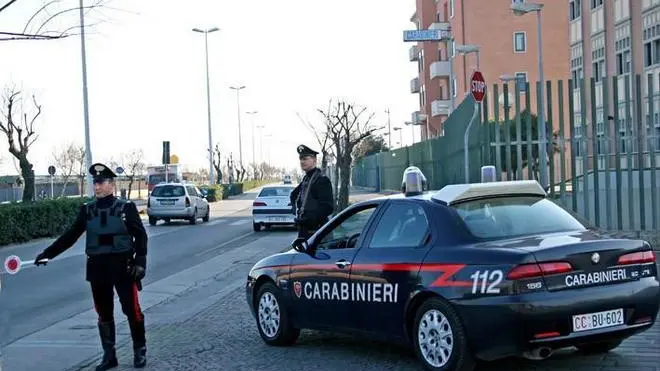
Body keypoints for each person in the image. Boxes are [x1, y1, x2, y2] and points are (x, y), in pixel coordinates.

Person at [33, 163, 148, 370]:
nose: (97, 187)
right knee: (103, 313)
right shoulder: (87, 210)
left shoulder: (126, 208)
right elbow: (70, 236)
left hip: (123, 268)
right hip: (97, 269)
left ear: (112, 185)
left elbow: (140, 236)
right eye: (95, 183)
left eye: (101, 183)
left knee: (132, 310)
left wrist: (140, 263)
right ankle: (109, 356)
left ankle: (139, 351)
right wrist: (47, 254)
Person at [290, 144, 334, 239]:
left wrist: (309, 220)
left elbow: (328, 207)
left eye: (305, 158)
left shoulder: (321, 180)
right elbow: (293, 194)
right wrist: (295, 208)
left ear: (314, 160)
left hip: (317, 232)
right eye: (301, 159)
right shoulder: (306, 179)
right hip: (305, 231)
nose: (302, 161)